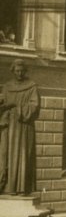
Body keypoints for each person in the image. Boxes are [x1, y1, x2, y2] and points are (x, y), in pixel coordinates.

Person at [0, 59, 40, 195]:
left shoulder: (32, 86)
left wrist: (18, 108)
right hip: (8, 125)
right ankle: (7, 187)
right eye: (17, 71)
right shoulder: (7, 86)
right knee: (5, 155)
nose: (20, 73)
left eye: (22, 71)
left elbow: (35, 106)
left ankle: (22, 188)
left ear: (25, 71)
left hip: (24, 126)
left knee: (23, 155)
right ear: (13, 71)